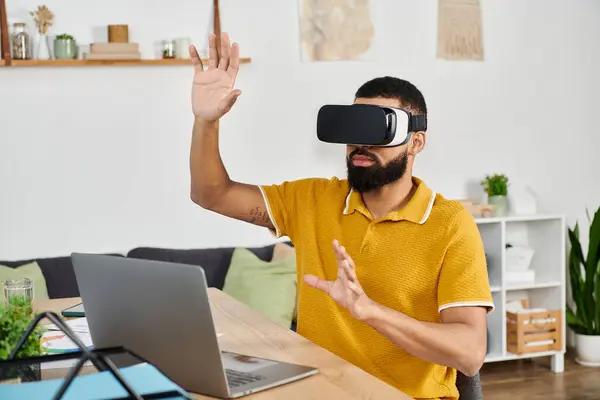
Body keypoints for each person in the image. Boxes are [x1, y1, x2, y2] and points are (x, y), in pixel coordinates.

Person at [188, 32, 494, 400]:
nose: (360, 144)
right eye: (353, 128)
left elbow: (470, 354)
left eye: (377, 129)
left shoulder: (450, 223)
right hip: (317, 390)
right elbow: (211, 193)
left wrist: (370, 312)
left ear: (416, 142)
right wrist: (205, 121)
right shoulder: (313, 200)